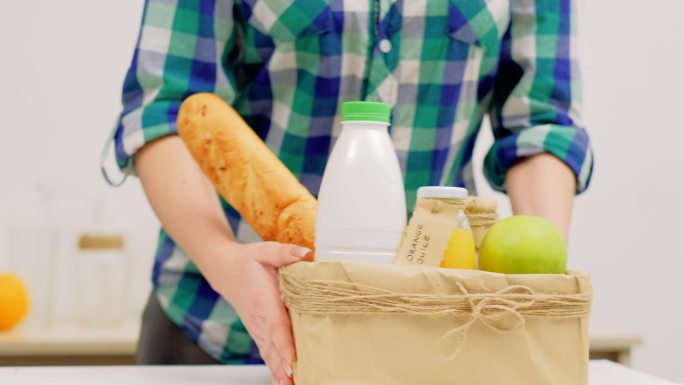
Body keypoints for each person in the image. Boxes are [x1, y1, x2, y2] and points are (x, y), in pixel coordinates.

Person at [106, 1, 592, 384]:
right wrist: (224, 259)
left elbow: (541, 125)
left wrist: (538, 289)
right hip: (221, 324)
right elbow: (164, 113)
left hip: (434, 334)